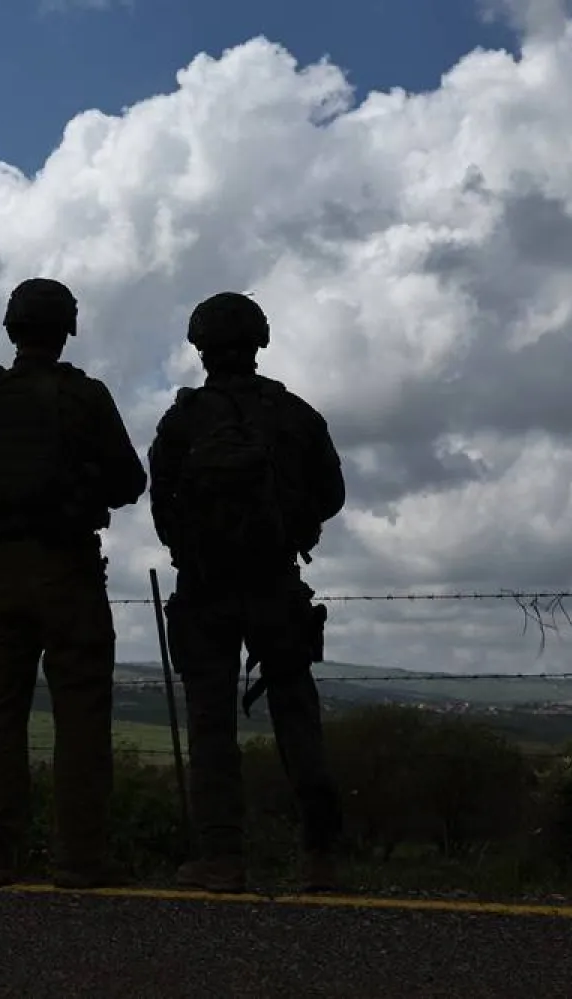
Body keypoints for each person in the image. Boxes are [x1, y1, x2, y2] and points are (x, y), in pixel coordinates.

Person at [0, 277, 148, 890]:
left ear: (12, 328)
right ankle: (79, 859)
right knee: (82, 714)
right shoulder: (85, 397)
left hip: (2, 575)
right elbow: (129, 481)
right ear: (66, 330)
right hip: (70, 573)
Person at [147, 291, 347, 893]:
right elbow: (332, 495)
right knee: (296, 716)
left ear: (200, 346)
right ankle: (321, 858)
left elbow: (162, 509)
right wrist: (290, 524)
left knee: (211, 727)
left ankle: (221, 860)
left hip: (204, 589)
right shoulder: (296, 415)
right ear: (259, 341)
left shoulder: (182, 420)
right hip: (276, 584)